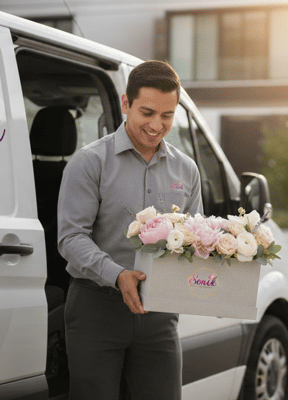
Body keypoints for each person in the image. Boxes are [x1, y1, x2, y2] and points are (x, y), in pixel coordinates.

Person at [57, 60, 202, 399]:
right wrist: (118, 274)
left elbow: (195, 237)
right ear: (126, 104)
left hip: (159, 314)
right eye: (147, 112)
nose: (156, 125)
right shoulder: (89, 162)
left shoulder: (187, 169)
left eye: (167, 116)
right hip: (97, 307)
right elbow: (70, 237)